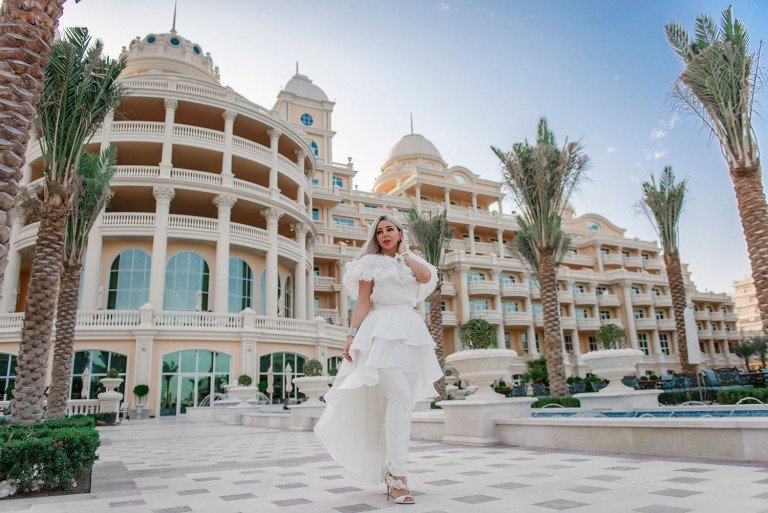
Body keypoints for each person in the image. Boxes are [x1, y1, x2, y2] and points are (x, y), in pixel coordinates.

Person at [314, 214, 443, 505]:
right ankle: (398, 477)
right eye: (380, 231)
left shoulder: (412, 262)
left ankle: (392, 468)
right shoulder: (369, 264)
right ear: (375, 237)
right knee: (399, 397)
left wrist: (404, 253)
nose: (385, 235)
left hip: (409, 332)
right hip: (380, 332)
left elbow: (425, 279)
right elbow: (363, 302)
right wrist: (350, 336)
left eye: (390, 230)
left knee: (403, 403)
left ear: (400, 233)